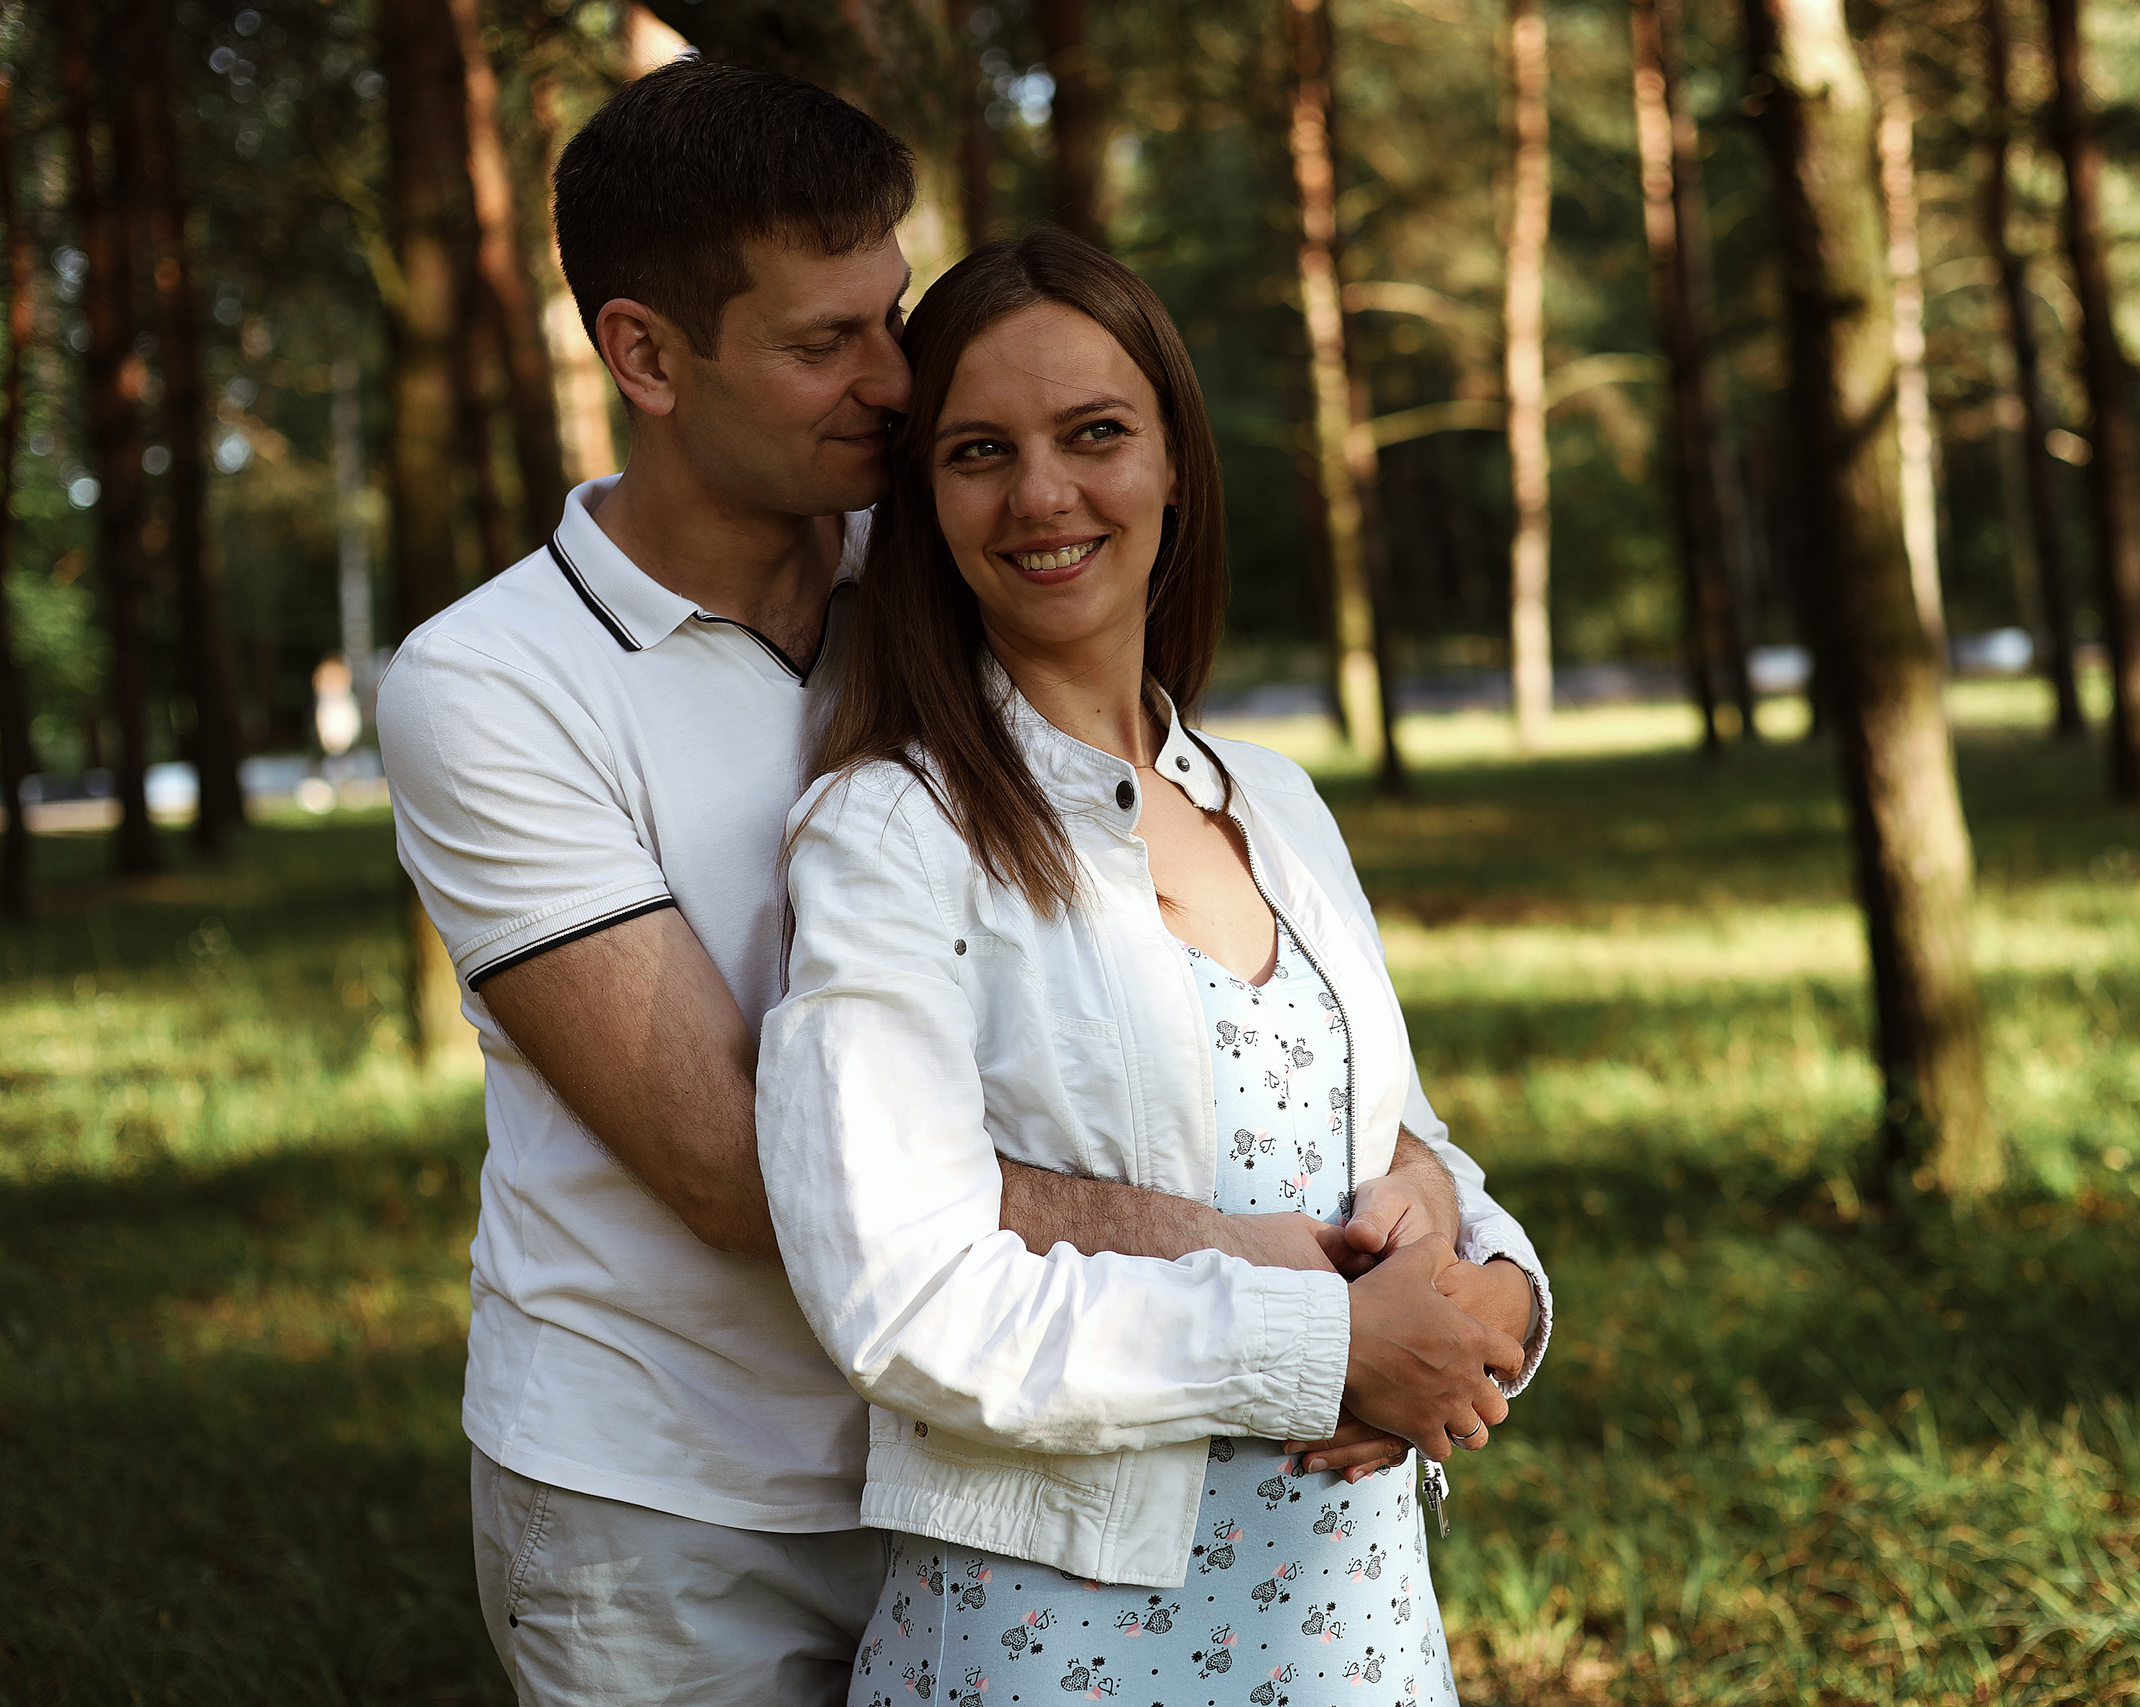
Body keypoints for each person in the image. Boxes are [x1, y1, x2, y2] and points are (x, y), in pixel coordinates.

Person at [380, 61, 1537, 1707]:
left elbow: (1194, 969)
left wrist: (1419, 1197)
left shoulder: (947, 572)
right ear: (645, 355)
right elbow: (747, 1172)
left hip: (1023, 1476)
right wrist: (1302, 1286)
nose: (894, 382)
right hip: (681, 1492)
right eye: (822, 344)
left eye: (894, 314)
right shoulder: (492, 686)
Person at [758, 229, 1552, 1707]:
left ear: (1175, 460)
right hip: (1061, 1648)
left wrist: (1500, 1294)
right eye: (979, 452)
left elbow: (1399, 1147)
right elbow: (902, 1299)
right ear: (923, 502)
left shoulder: (1275, 803)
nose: (1042, 495)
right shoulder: (890, 834)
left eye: (1096, 434)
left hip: (1353, 1628)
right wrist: (1325, 1347)